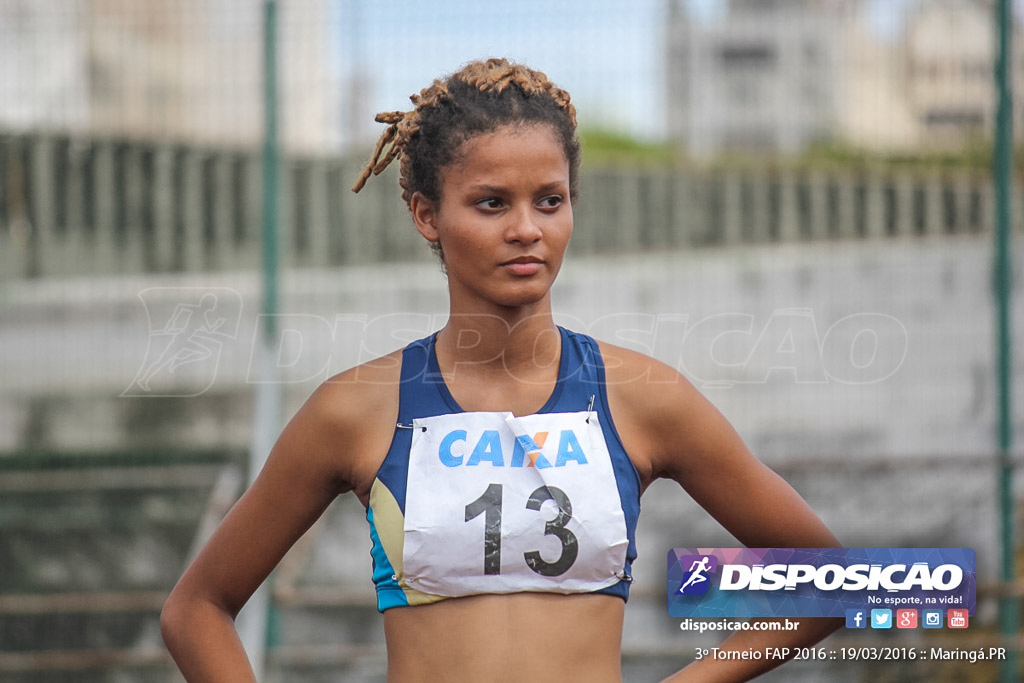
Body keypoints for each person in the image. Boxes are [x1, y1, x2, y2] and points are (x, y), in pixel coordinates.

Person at [161, 57, 841, 682]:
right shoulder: (354, 410)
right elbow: (196, 609)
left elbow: (831, 577)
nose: (527, 229)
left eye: (550, 200)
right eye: (492, 203)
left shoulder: (644, 397)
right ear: (426, 213)